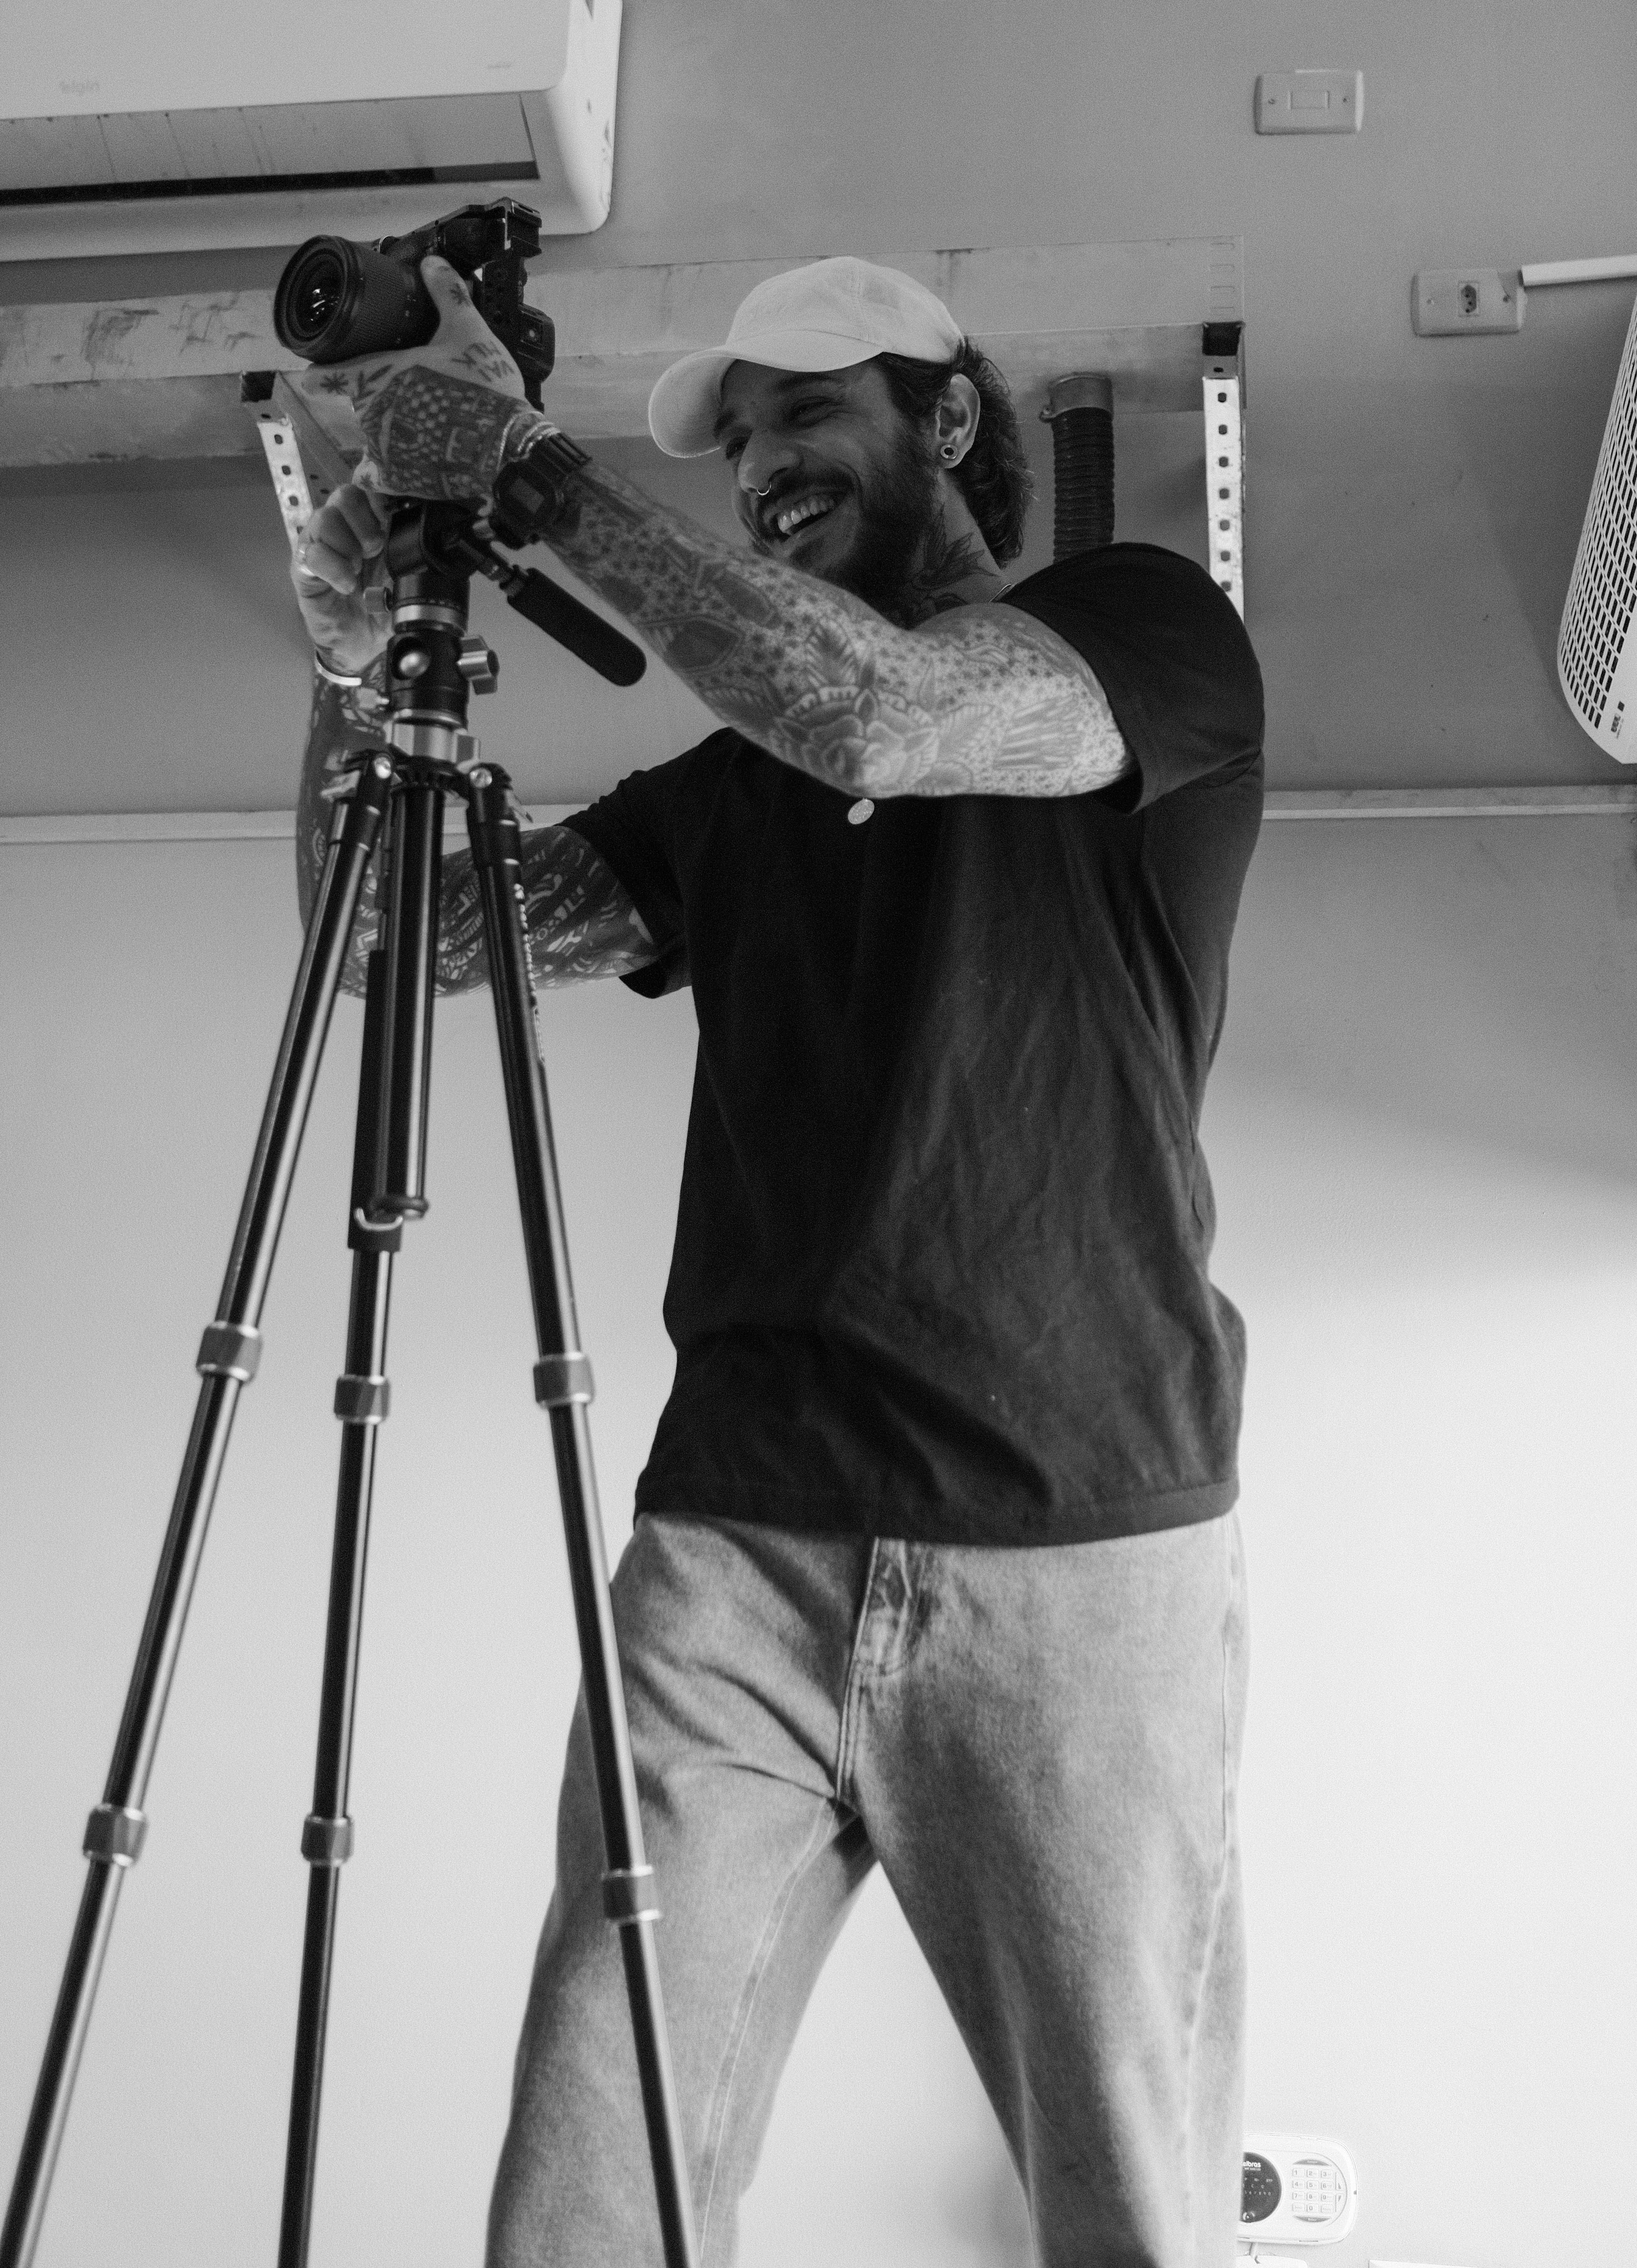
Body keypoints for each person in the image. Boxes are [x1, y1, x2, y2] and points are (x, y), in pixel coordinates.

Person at [292, 252, 1264, 2268]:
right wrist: (354, 648)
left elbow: (874, 714)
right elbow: (397, 942)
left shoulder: (1137, 639)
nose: (759, 469)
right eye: (734, 442)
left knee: (1130, 2198)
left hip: (1070, 1540)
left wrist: (535, 478)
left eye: (805, 414)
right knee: (591, 2188)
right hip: (733, 1548)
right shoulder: (731, 793)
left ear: (949, 421)